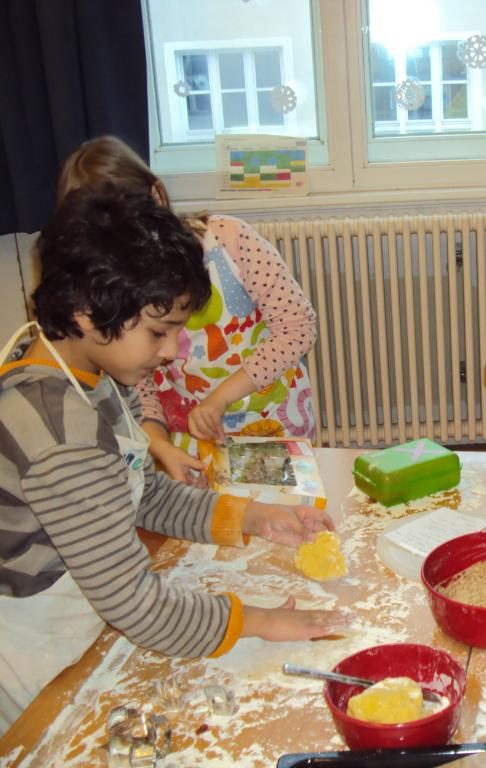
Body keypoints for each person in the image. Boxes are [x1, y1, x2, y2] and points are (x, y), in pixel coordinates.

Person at [0, 188, 346, 731]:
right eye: (160, 332)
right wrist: (259, 621)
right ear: (86, 313)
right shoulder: (60, 432)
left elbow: (140, 491)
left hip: (84, 614)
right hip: (39, 654)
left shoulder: (88, 375)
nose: (170, 352)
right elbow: (133, 602)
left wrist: (248, 516)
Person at [57, 136, 317, 486]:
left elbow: (298, 327)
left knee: (277, 518)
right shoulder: (114, 287)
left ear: (157, 196)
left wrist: (218, 399)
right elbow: (140, 385)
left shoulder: (229, 239)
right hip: (186, 440)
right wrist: (160, 444)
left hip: (270, 423)